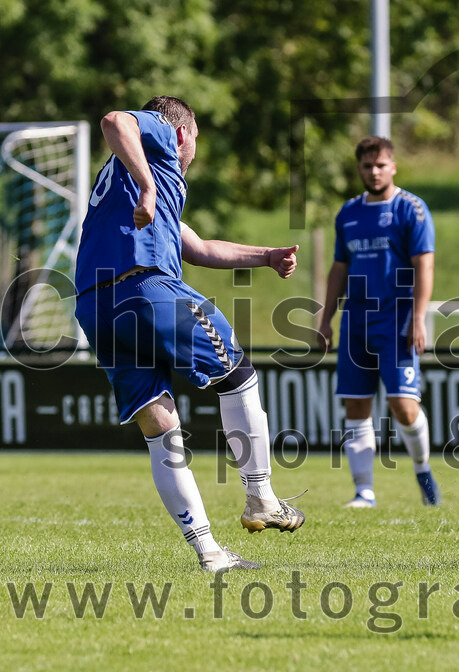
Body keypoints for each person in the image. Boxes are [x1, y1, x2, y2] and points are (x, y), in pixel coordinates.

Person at [74, 97, 305, 572]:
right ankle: (261, 497)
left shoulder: (125, 185)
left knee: (161, 427)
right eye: (197, 137)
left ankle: (211, 553)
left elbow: (198, 247)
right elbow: (115, 120)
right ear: (182, 133)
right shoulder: (156, 145)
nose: (195, 148)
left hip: (95, 305)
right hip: (144, 286)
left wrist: (266, 255)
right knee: (238, 374)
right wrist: (147, 187)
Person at [316, 136, 439, 508]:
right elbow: (340, 267)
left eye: (381, 165)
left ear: (393, 166)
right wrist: (326, 319)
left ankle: (422, 468)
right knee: (356, 405)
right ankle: (364, 492)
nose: (374, 171)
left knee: (404, 406)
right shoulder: (348, 213)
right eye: (367, 166)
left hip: (397, 321)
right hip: (357, 322)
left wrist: (418, 318)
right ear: (359, 169)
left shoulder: (411, 209)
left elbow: (425, 265)